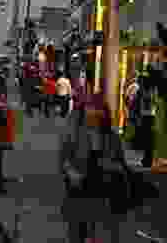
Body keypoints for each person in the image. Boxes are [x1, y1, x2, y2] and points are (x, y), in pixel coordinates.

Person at [59, 96, 134, 243]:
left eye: (98, 109)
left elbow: (121, 164)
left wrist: (115, 168)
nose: (94, 112)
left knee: (102, 232)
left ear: (105, 113)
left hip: (105, 191)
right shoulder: (73, 134)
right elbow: (64, 160)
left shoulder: (112, 136)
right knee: (77, 231)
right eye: (90, 108)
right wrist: (70, 172)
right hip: (79, 190)